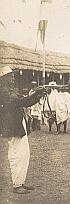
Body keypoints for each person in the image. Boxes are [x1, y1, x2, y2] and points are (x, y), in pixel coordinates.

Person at [0, 65, 46, 194]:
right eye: (11, 76)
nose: (13, 78)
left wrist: (37, 95)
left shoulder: (9, 90)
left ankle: (20, 182)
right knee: (16, 154)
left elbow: (25, 100)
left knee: (24, 154)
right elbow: (21, 101)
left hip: (17, 125)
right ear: (3, 78)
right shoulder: (3, 91)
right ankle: (17, 185)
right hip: (12, 127)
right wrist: (37, 94)